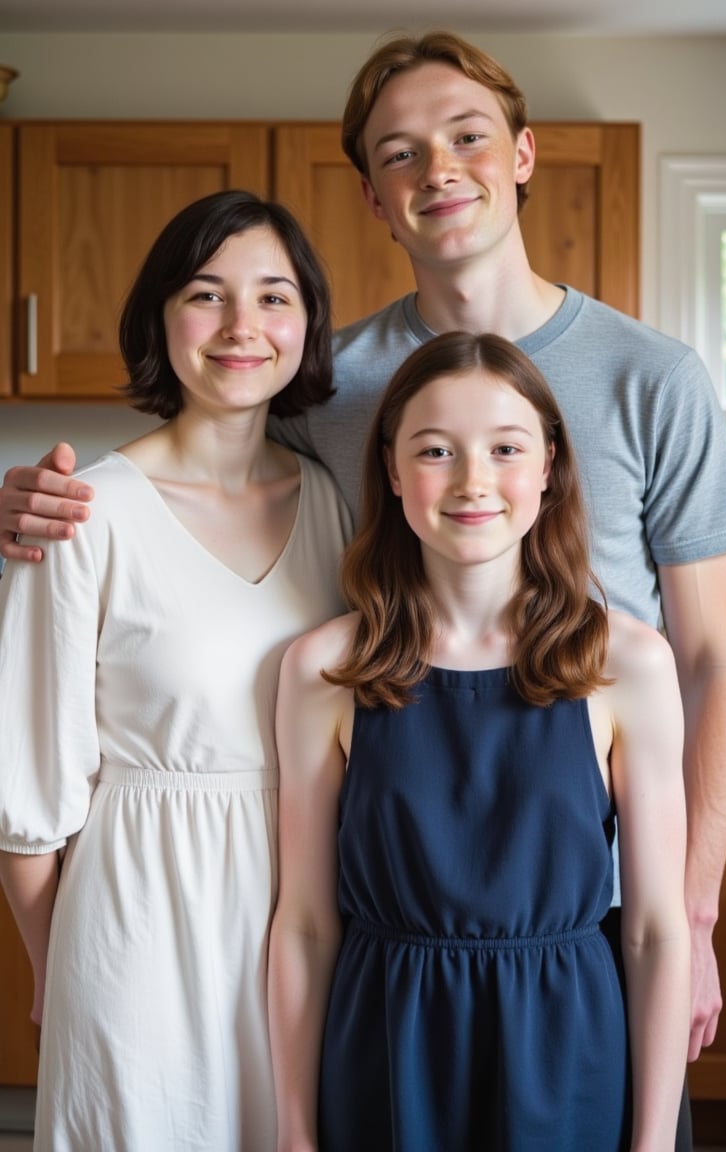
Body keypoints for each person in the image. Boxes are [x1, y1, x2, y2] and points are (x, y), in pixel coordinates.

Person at [0, 29, 726, 1142]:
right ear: (371, 196)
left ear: (525, 154)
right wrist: (36, 509)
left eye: (467, 138)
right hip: (383, 909)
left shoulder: (657, 377)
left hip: (582, 922)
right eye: (400, 153)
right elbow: (199, 472)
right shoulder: (327, 386)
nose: (437, 170)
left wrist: (689, 918)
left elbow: (710, 659)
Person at [267, 330, 691, 1151]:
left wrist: (652, 1142)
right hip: (384, 1050)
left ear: (548, 467)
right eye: (435, 451)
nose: (472, 482)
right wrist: (294, 1129)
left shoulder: (628, 663)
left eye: (505, 448)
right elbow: (307, 925)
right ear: (392, 471)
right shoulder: (324, 668)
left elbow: (654, 930)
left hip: (567, 1051)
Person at [0, 189, 351, 1151]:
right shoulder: (86, 512)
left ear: (309, 322)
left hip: (310, 917)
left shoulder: (336, 505)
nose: (243, 327)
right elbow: (29, 796)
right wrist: (56, 969)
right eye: (207, 294)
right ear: (160, 316)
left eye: (275, 297)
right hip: (136, 926)